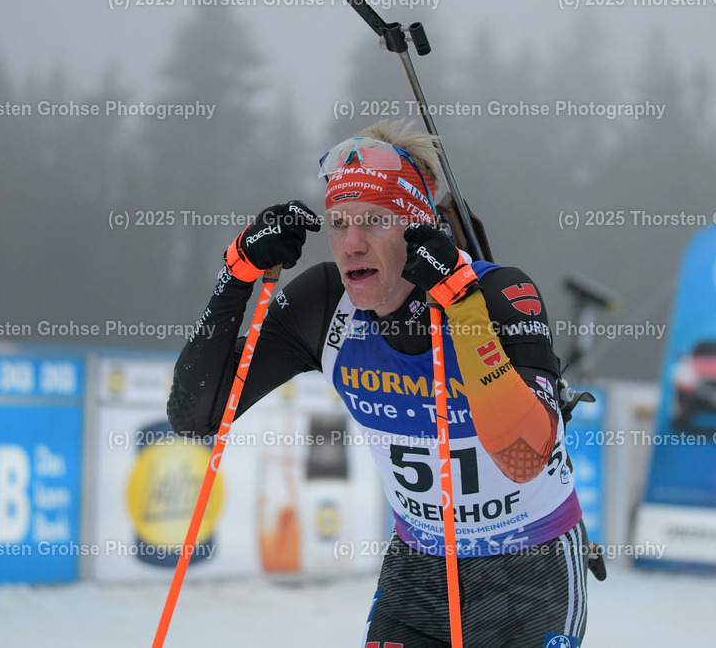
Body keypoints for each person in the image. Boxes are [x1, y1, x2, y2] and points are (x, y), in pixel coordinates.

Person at [168, 121, 589, 646]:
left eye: (374, 220)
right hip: (420, 569)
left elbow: (523, 458)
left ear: (416, 228)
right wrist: (236, 274)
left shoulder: (499, 292)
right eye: (338, 221)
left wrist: (462, 308)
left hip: (531, 571)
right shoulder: (324, 306)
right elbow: (193, 416)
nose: (350, 243)